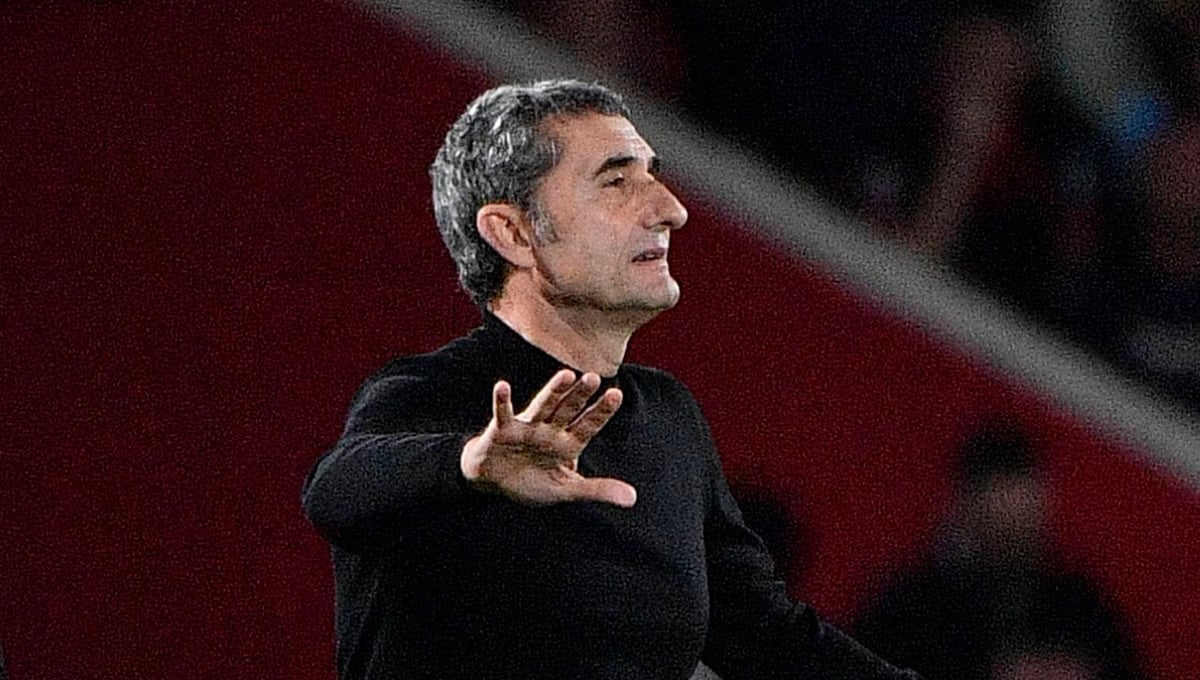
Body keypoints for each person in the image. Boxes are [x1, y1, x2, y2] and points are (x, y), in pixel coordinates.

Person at [301, 79, 921, 680]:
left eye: (652, 174)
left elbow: (763, 635)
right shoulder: (437, 393)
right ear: (514, 233)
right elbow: (335, 490)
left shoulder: (668, 417)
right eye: (617, 181)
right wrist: (470, 465)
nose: (670, 209)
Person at [852, 420, 1143, 680]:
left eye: (1023, 517)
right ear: (966, 509)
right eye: (1003, 522)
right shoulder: (914, 609)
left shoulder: (1078, 607)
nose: (1016, 527)